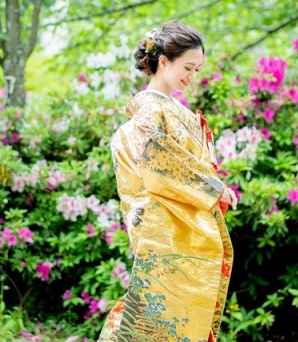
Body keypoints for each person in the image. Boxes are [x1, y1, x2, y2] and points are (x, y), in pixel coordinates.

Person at [98, 21, 237, 342]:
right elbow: (161, 165)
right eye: (188, 67)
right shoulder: (150, 110)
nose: (192, 75)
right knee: (156, 313)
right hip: (167, 224)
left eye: (198, 69)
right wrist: (214, 189)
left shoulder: (171, 108)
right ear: (163, 62)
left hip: (183, 220)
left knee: (175, 313)